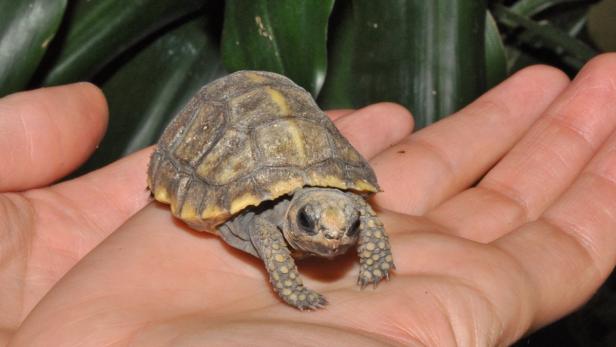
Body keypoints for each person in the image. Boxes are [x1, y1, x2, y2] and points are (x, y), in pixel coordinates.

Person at [1, 53, 615, 346]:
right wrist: (294, 288)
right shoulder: (269, 227)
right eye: (315, 225)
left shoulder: (345, 215)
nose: (332, 236)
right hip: (225, 131)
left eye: (342, 227)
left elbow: (358, 217)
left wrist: (372, 251)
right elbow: (272, 235)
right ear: (293, 216)